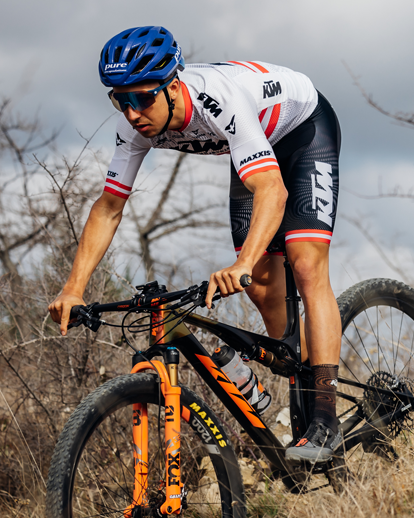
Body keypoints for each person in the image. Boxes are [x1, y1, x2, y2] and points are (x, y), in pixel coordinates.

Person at [47, 26, 345, 463]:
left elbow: (273, 191)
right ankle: (301, 368)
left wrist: (240, 262)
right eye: (120, 100)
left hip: (302, 129)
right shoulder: (134, 126)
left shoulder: (217, 100)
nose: (132, 113)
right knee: (262, 285)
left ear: (173, 85)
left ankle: (324, 417)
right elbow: (109, 207)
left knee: (303, 263)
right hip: (255, 146)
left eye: (143, 98)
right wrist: (73, 288)